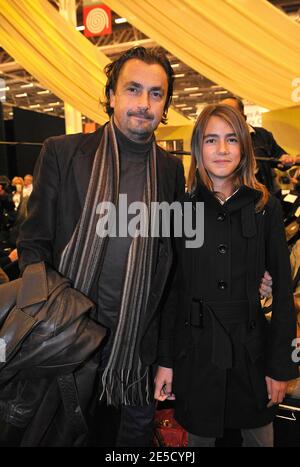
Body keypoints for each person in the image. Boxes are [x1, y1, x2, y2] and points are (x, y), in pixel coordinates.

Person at [17, 46, 186, 447]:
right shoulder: (63, 152)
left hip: (134, 356)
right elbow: (33, 245)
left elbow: (174, 268)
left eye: (156, 94)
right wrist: (48, 323)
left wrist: (166, 357)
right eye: (133, 89)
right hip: (66, 347)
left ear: (165, 105)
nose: (143, 104)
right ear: (111, 96)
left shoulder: (170, 170)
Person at [155, 104, 298, 447]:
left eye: (231, 139)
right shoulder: (182, 209)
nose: (221, 150)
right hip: (197, 354)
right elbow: (172, 292)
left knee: (261, 438)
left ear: (244, 148)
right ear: (197, 149)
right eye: (211, 140)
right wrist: (166, 362)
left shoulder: (265, 208)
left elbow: (280, 291)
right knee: (199, 438)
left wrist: (281, 367)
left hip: (252, 355)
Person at [220, 96, 299, 193]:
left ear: (243, 116)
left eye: (230, 112)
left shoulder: (262, 135)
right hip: (234, 202)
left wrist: (286, 159)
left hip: (266, 197)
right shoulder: (214, 146)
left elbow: (280, 158)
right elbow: (199, 201)